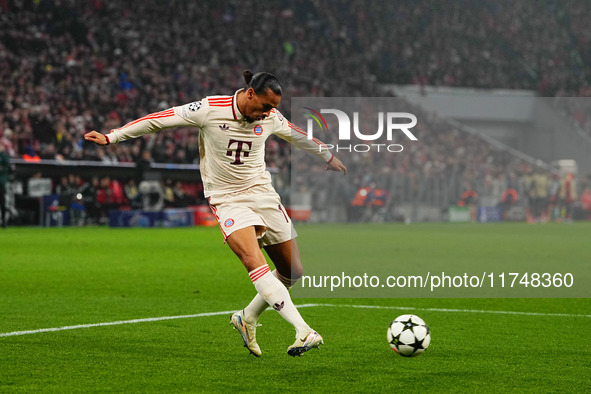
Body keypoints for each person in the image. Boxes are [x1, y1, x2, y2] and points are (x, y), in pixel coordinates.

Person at [84, 70, 347, 357]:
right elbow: (159, 119)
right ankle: (303, 330)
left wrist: (328, 156)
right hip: (227, 199)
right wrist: (112, 137)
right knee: (252, 259)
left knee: (293, 271)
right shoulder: (209, 109)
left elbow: (297, 135)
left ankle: (246, 318)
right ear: (250, 94)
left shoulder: (271, 116)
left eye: (273, 108)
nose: (268, 113)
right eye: (264, 106)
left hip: (263, 194)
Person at [0, 143, 12, 228]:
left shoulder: (4, 156)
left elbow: (6, 165)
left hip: (1, 182)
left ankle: (4, 220)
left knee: (2, 201)